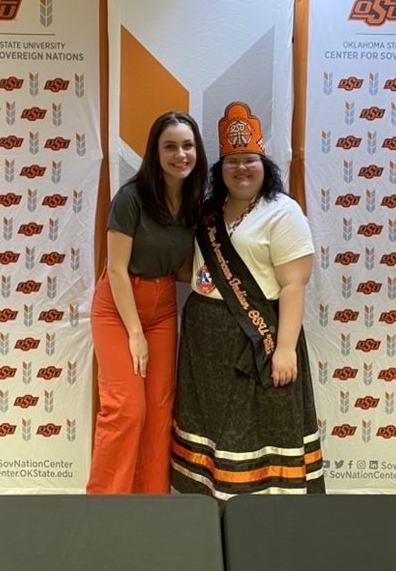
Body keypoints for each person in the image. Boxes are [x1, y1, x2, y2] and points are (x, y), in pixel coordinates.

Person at [171, 102, 325, 499]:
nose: (241, 168)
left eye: (250, 160)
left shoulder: (283, 212)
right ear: (220, 169)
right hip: (206, 338)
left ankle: (263, 520)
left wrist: (286, 349)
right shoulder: (209, 211)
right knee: (212, 424)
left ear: (265, 164)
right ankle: (210, 507)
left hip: (259, 336)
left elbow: (294, 284)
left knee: (260, 424)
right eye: (232, 161)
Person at [87, 111, 207, 494]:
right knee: (127, 410)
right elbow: (116, 270)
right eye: (170, 146)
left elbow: (185, 268)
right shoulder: (131, 197)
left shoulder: (194, 200)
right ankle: (106, 504)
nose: (180, 154)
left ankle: (151, 502)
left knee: (158, 410)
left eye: (187, 146)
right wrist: (135, 334)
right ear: (155, 153)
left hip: (162, 305)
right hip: (118, 309)